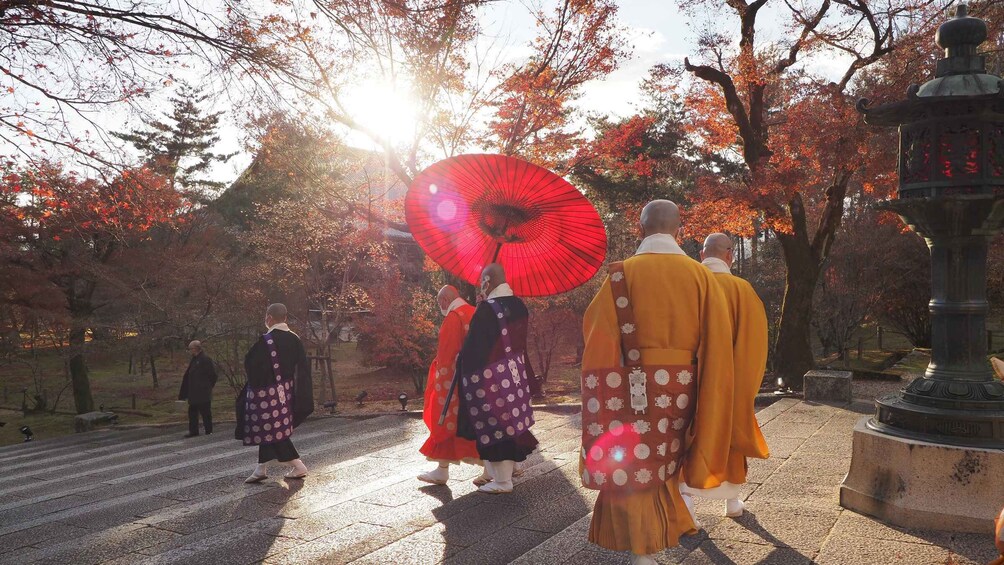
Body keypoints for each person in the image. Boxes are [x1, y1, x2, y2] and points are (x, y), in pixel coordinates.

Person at [580, 200, 735, 565]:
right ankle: (670, 524)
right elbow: (717, 341)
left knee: (636, 460)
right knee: (668, 458)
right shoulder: (700, 277)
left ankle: (643, 547)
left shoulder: (620, 275)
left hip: (630, 388)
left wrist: (602, 397)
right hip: (683, 387)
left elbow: (597, 337)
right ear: (679, 232)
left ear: (640, 229)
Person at [679, 233, 770, 518]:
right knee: (729, 431)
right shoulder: (741, 289)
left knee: (687, 432)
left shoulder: (687, 285)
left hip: (687, 379)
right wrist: (745, 386)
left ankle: (685, 499)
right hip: (728, 380)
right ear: (730, 255)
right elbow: (753, 346)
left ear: (702, 255)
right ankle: (732, 502)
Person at [455, 263, 539, 494]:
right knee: (512, 420)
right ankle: (507, 472)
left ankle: (502, 481)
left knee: (493, 423)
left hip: (489, 377)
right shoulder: (519, 305)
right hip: (514, 372)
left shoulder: (487, 309)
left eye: (483, 280)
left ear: (488, 281)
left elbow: (475, 348)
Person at [238, 303, 314, 483]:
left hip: (266, 395)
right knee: (271, 429)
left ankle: (298, 465)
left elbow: (252, 365)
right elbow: (301, 368)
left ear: (269, 317)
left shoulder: (266, 340)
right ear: (285, 318)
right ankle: (261, 468)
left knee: (272, 430)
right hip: (286, 392)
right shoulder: (295, 339)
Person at [417, 285, 482, 485]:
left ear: (445, 300)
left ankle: (442, 469)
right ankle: (489, 467)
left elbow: (446, 356)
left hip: (454, 381)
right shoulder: (475, 312)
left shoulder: (453, 318)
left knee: (444, 421)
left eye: (439, 303)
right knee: (476, 424)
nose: (440, 307)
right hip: (476, 380)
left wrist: (439, 381)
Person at [179, 340, 218, 438]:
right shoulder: (194, 359)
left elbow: (213, 375)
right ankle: (193, 431)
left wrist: (207, 386)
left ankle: (209, 430)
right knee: (192, 412)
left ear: (195, 348)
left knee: (205, 412)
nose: (189, 351)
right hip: (194, 392)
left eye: (190, 349)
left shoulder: (205, 359)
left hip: (203, 392)